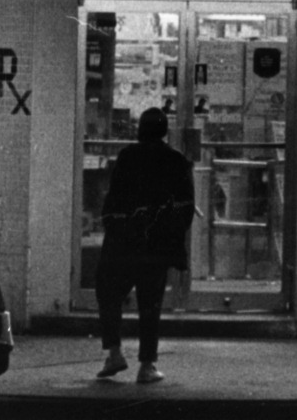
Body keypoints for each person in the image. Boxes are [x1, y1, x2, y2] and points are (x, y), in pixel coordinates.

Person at [95, 107, 196, 384]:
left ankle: (114, 352)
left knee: (110, 293)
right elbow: (185, 207)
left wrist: (115, 227)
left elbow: (114, 198)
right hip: (156, 245)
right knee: (150, 304)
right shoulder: (175, 161)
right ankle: (147, 365)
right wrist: (170, 237)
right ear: (164, 131)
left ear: (140, 129)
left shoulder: (127, 157)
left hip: (124, 241)